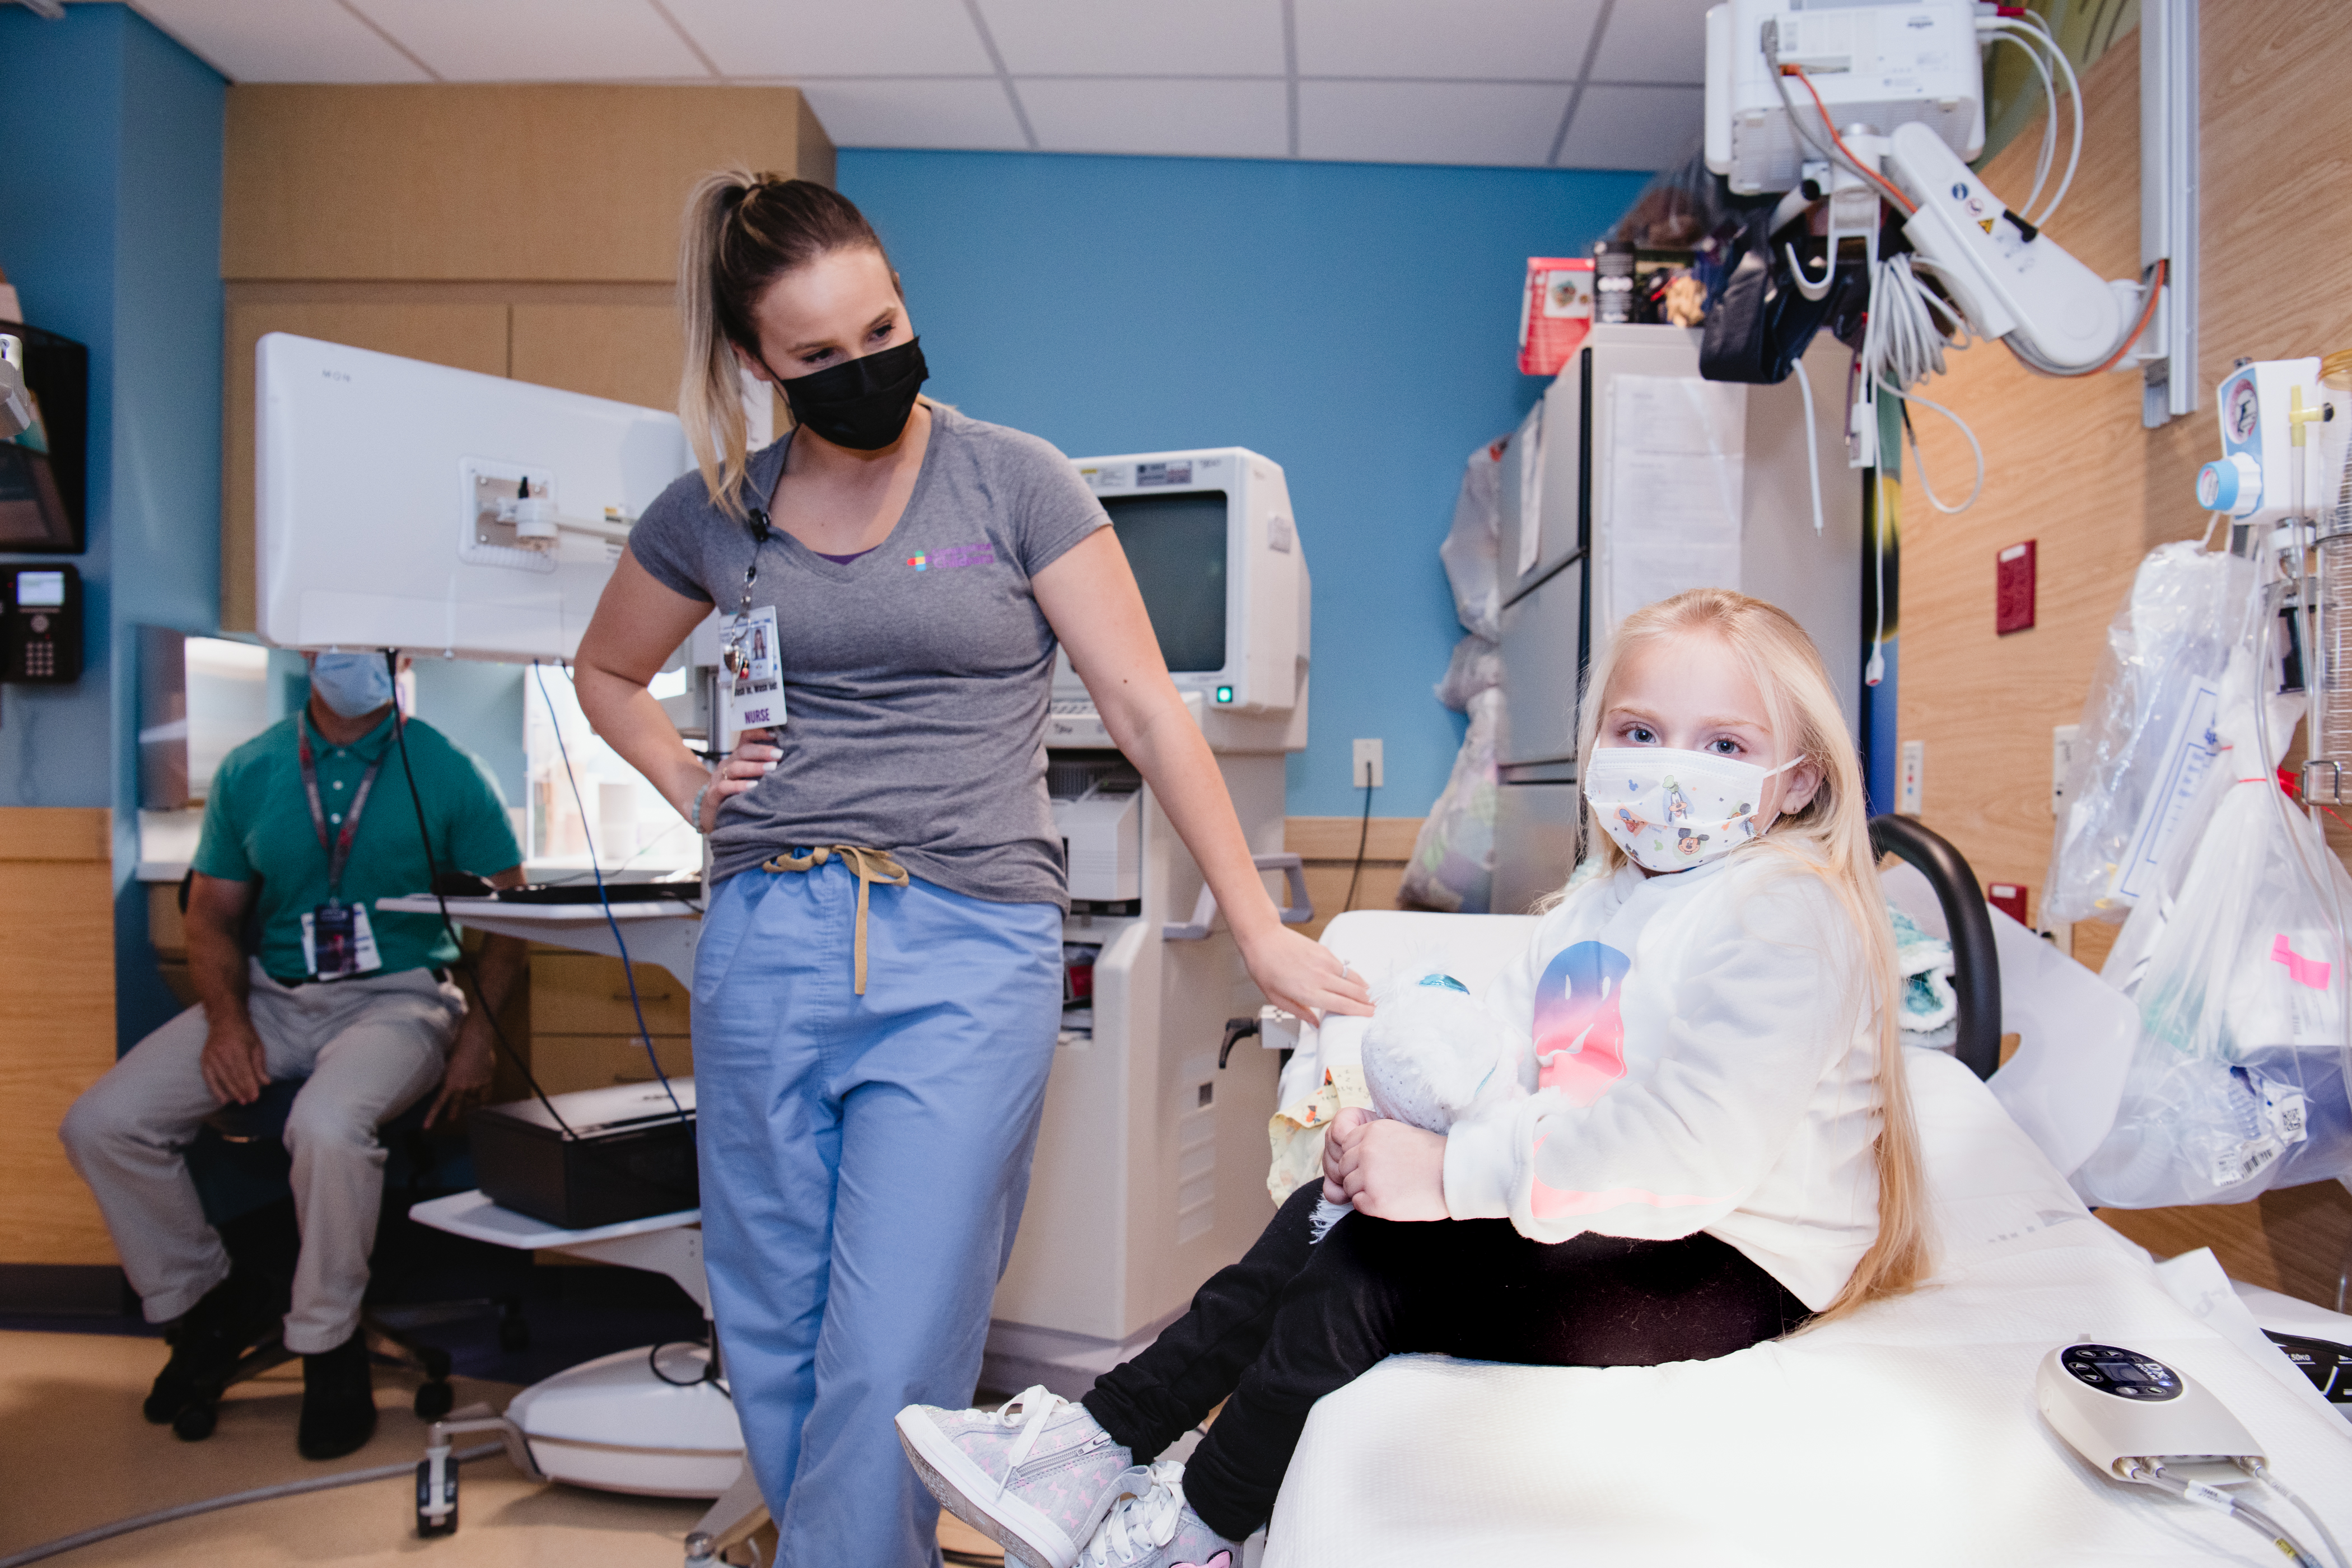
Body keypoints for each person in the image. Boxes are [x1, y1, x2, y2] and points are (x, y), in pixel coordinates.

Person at [570, 171, 1371, 1566]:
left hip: (965, 939)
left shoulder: (1015, 481)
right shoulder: (714, 511)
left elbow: (1142, 708)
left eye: (881, 329)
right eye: (818, 357)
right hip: (766, 930)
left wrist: (1258, 930)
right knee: (769, 1325)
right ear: (758, 363)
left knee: (894, 1338)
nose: (863, 369)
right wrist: (691, 784)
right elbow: (604, 669)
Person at [898, 587, 1930, 1568]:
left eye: (1725, 746)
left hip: (1735, 1250)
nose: (1671, 769)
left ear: (1798, 779)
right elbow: (1550, 1079)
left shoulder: (1786, 913)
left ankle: (1199, 1530)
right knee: (1324, 1205)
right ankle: (1092, 1444)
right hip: (1627, 1210)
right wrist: (1390, 1136)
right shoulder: (1602, 905)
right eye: (1640, 732)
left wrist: (1447, 1177)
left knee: (1371, 1274)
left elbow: (1681, 1157)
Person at [60, 651, 527, 1459]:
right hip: (270, 998)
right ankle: (206, 1302)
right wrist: (227, 1023)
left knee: (327, 1125)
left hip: (397, 1000)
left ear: (402, 656)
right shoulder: (255, 767)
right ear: (307, 649)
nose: (353, 655)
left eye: (375, 641)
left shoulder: (446, 769)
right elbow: (209, 917)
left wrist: (477, 1041)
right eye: (335, 639)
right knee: (103, 1122)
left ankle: (327, 1340)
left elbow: (514, 915)